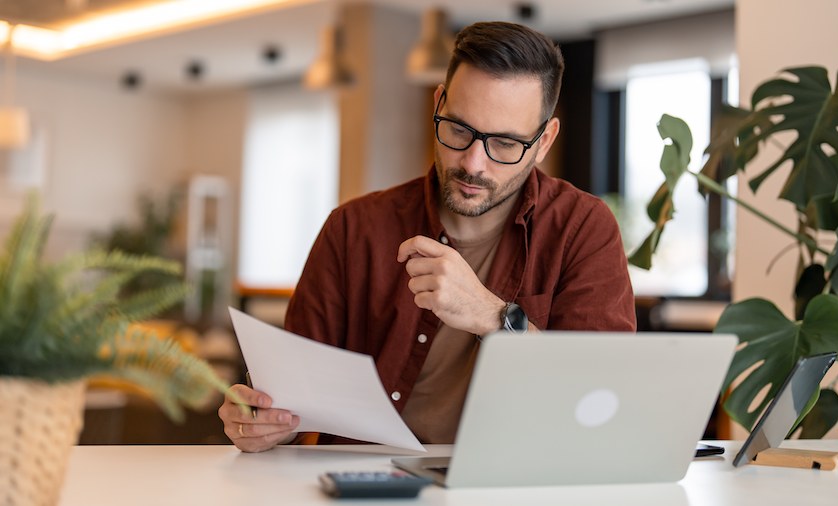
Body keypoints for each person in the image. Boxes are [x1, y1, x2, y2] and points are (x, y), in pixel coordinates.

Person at [219, 21, 636, 453]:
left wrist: (493, 318)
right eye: (458, 130)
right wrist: (266, 423)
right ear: (438, 104)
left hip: (512, 483)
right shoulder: (352, 229)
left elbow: (600, 399)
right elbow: (292, 397)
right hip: (364, 486)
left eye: (506, 144)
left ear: (544, 140)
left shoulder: (583, 228)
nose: (474, 163)